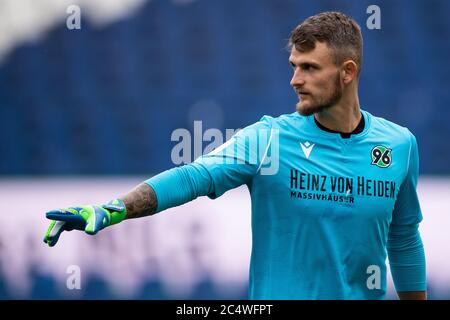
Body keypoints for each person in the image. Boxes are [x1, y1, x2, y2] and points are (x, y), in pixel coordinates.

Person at [43, 11, 426, 300]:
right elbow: (194, 176)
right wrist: (113, 210)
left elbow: (404, 237)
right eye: (294, 67)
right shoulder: (268, 139)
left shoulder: (398, 146)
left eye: (309, 68)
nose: (295, 80)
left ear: (347, 72)